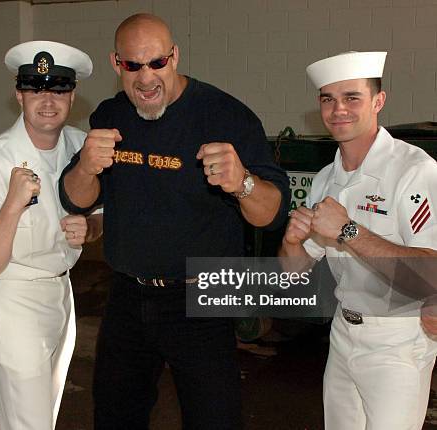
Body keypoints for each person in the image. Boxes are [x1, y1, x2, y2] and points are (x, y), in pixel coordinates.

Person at [59, 13, 290, 429]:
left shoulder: (226, 116)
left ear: (174, 56)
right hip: (128, 294)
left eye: (157, 63)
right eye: (133, 65)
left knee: (214, 419)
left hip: (200, 296)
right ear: (116, 64)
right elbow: (77, 198)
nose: (146, 78)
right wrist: (86, 169)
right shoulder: (111, 116)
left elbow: (272, 215)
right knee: (114, 417)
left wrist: (242, 184)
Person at [279, 51, 437, 429]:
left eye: (352, 97)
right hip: (342, 335)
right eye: (327, 99)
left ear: (378, 102)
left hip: (397, 342)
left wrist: (349, 231)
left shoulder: (414, 171)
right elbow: (295, 271)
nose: (338, 110)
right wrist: (291, 242)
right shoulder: (325, 179)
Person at [0, 41, 103, 430]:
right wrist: (12, 203)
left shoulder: (80, 145)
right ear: (18, 94)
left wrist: (92, 226)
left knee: (47, 413)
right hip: (13, 296)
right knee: (29, 422)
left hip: (62, 292)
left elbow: (104, 214)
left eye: (58, 88)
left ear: (72, 96)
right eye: (35, 88)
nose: (47, 99)